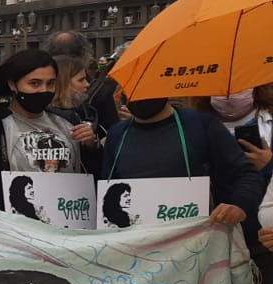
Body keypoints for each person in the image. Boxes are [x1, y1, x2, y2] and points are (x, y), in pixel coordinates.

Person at [0, 48, 95, 213]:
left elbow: (88, 174)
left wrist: (91, 146)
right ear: (13, 84)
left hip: (63, 219)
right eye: (34, 83)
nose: (43, 90)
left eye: (50, 83)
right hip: (13, 223)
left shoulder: (66, 122)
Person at [102, 90, 263, 228]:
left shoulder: (201, 125)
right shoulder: (117, 135)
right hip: (135, 248)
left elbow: (246, 173)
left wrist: (239, 205)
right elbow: (108, 187)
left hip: (199, 243)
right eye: (131, 89)